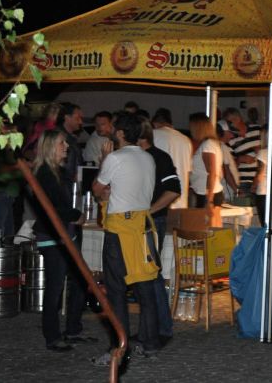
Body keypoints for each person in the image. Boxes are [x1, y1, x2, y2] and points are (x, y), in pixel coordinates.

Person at [92, 113, 160, 363]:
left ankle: (118, 347)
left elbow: (97, 188)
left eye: (114, 128)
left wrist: (104, 160)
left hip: (120, 228)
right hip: (142, 227)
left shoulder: (115, 158)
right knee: (145, 287)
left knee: (116, 291)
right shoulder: (148, 157)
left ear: (120, 133)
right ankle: (150, 343)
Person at [32, 130, 93, 352]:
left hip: (66, 234)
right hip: (53, 237)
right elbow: (50, 207)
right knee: (56, 286)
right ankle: (52, 336)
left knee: (80, 280)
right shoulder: (44, 174)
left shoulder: (58, 172)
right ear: (50, 147)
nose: (66, 146)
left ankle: (73, 329)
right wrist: (74, 215)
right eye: (61, 143)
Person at [138, 117, 180, 345]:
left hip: (152, 222)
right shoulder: (133, 157)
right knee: (142, 275)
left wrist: (148, 212)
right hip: (140, 221)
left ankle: (162, 328)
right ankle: (149, 328)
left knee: (151, 274)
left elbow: (174, 190)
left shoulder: (159, 157)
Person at [152, 108, 192, 211]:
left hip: (160, 202)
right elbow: (188, 171)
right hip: (181, 200)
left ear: (155, 123)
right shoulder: (186, 140)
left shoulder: (152, 136)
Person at [223, 107, 261, 198]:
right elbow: (229, 167)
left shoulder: (257, 129)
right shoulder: (231, 139)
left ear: (238, 119)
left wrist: (260, 151)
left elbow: (270, 150)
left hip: (262, 179)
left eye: (230, 122)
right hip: (244, 183)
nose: (228, 126)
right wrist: (239, 159)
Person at [189, 113, 224, 209]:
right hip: (204, 192)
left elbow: (212, 172)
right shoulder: (209, 144)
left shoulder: (208, 145)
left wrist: (209, 200)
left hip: (206, 194)